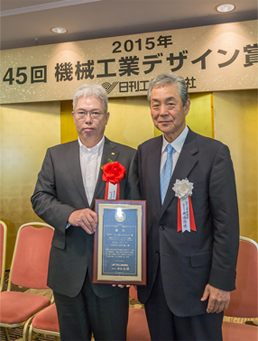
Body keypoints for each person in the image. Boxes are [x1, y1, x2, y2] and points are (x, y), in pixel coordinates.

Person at [31, 83, 139, 341]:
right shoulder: (55, 155)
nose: (88, 119)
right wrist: (70, 215)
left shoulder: (128, 156)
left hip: (112, 270)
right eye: (82, 113)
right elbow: (39, 197)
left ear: (107, 116)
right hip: (68, 268)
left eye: (95, 113)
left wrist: (129, 268)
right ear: (73, 116)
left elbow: (138, 211)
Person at [136, 73, 239, 341]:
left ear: (186, 106)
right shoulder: (144, 152)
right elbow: (142, 217)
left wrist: (221, 282)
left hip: (199, 286)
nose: (162, 112)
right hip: (155, 284)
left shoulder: (213, 153)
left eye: (170, 103)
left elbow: (226, 224)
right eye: (155, 104)